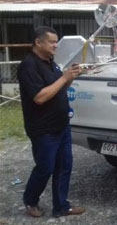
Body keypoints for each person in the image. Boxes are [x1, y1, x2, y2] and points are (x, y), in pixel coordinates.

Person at [17, 26, 85, 218]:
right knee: (45, 167)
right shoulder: (29, 66)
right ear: (38, 42)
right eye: (52, 42)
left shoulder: (50, 62)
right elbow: (40, 97)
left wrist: (70, 77)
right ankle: (30, 200)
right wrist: (64, 77)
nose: (56, 45)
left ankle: (61, 206)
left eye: (56, 41)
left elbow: (58, 88)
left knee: (64, 166)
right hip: (43, 129)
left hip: (61, 125)